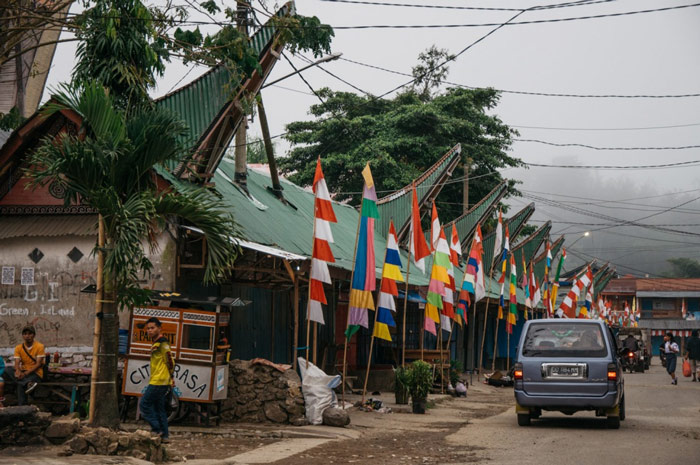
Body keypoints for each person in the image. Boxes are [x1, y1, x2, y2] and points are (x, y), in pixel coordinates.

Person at [139, 317, 175, 443]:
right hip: (160, 379)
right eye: (148, 328)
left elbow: (169, 360)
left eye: (152, 328)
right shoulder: (156, 343)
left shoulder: (162, 343)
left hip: (159, 380)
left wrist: (171, 376)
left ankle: (157, 428)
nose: (150, 330)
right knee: (159, 408)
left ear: (159, 328)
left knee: (144, 404)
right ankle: (165, 436)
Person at [3, 325, 46, 405]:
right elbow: (16, 362)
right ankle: (27, 383)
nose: (27, 336)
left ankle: (21, 407)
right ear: (23, 335)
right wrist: (18, 371)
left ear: (34, 335)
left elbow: (38, 364)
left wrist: (25, 374)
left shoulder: (39, 346)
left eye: (30, 334)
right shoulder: (18, 347)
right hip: (23, 372)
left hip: (35, 372)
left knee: (20, 384)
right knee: (7, 369)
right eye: (25, 334)